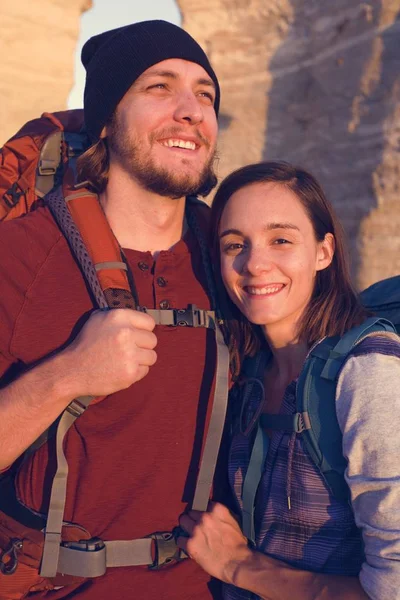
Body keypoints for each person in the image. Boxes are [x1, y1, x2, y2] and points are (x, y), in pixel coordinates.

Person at [0, 20, 226, 600]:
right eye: (159, 87)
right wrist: (68, 373)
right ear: (104, 119)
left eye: (205, 94)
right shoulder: (18, 256)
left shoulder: (234, 257)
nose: (191, 110)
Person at [177, 161, 400, 600]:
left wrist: (241, 566)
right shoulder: (249, 373)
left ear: (324, 251)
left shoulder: (368, 370)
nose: (255, 264)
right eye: (234, 244)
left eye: (281, 240)